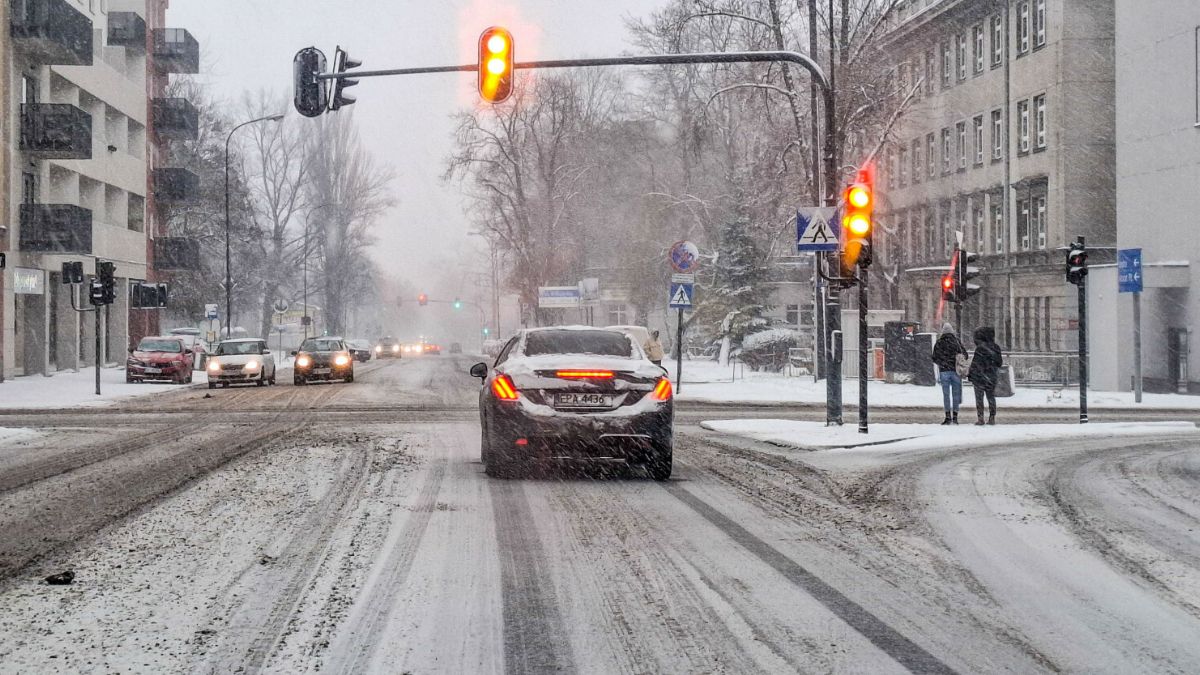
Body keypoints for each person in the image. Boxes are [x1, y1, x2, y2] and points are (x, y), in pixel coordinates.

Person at [931, 322, 967, 424]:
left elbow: (934, 357)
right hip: (956, 371)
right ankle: (955, 416)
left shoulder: (939, 342)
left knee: (946, 395)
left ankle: (947, 416)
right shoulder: (957, 342)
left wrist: (942, 363)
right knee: (956, 395)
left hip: (944, 371)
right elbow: (965, 355)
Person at [968, 326, 1004, 425]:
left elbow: (975, 364)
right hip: (991, 377)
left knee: (979, 398)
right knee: (991, 397)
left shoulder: (980, 349)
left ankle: (980, 418)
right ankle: (992, 417)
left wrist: (971, 375)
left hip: (980, 378)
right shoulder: (996, 347)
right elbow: (999, 363)